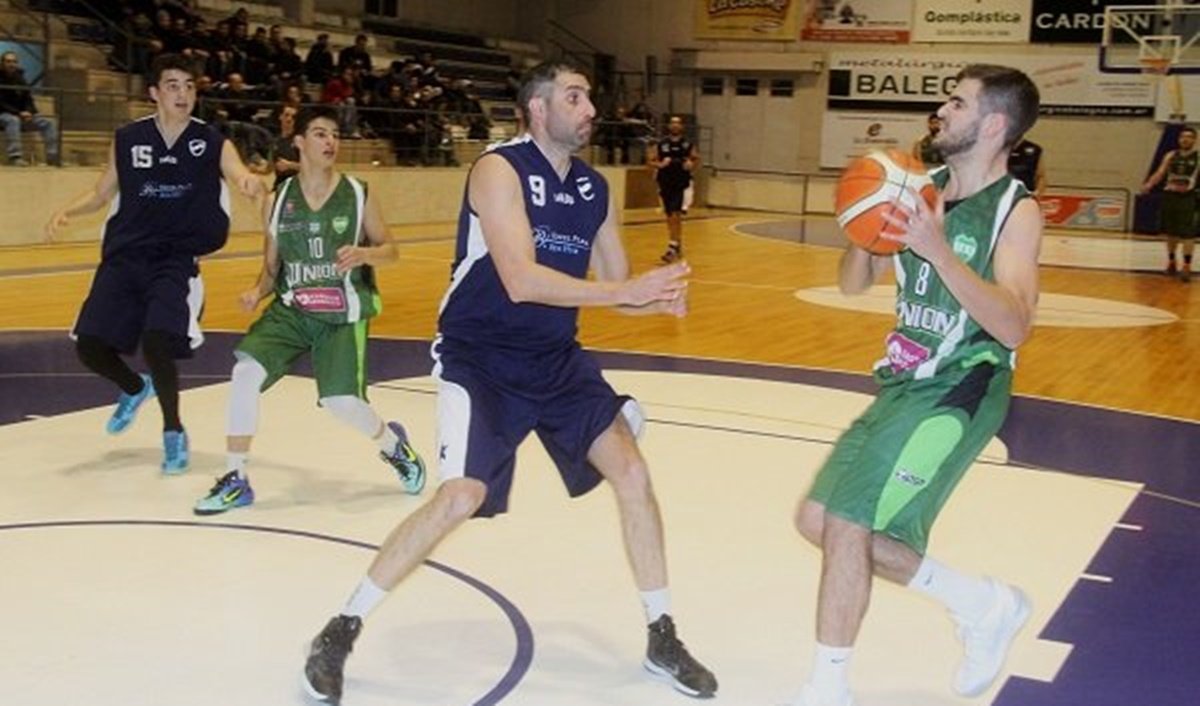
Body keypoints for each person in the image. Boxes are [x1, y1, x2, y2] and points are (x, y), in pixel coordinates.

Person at [300, 61, 718, 705]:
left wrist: (655, 298)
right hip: (481, 358)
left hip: (555, 359)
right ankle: (340, 629)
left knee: (633, 474)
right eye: (574, 97)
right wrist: (625, 292)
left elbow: (617, 288)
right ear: (538, 109)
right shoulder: (498, 170)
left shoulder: (593, 188)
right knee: (459, 497)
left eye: (588, 97)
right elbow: (521, 281)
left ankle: (663, 636)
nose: (589, 109)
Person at [788, 63, 1043, 706]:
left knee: (848, 522)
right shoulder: (919, 187)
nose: (942, 111)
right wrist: (866, 221)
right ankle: (981, 603)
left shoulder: (1015, 210)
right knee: (817, 519)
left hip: (964, 385)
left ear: (993, 124)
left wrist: (940, 251)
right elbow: (853, 284)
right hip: (904, 381)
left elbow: (1015, 325)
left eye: (957, 103)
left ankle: (827, 689)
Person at [193, 106, 426, 515]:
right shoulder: (278, 200)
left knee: (342, 403)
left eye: (334, 134)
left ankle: (395, 448)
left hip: (341, 312)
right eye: (320, 133)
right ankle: (236, 478)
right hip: (293, 308)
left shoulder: (357, 193)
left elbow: (391, 250)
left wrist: (365, 254)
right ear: (299, 142)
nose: (330, 141)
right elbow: (272, 267)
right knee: (245, 373)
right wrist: (257, 291)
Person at [44, 53, 263, 473]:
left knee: (157, 339)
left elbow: (237, 172)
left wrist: (249, 181)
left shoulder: (211, 140)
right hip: (127, 254)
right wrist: (68, 210)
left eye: (189, 86)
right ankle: (133, 388)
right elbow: (102, 191)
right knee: (89, 346)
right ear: (154, 93)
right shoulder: (129, 138)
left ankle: (173, 432)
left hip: (174, 258)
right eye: (173, 85)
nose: (183, 94)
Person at [1141, 125, 1198, 282]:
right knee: (1171, 232)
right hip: (1170, 196)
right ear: (1179, 139)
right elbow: (1160, 172)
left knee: (1188, 233)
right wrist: (1149, 184)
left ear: (1194, 140)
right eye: (1183, 137)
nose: (1185, 139)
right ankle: (1171, 261)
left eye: (1189, 137)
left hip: (1188, 197)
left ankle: (1186, 265)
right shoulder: (1171, 155)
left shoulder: (1198, 157)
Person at [649, 115, 699, 264]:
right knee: (669, 215)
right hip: (665, 182)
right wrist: (660, 164)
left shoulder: (687, 144)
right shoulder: (661, 144)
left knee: (676, 214)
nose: (675, 125)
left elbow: (696, 159)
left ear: (682, 126)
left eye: (678, 123)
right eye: (672, 123)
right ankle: (676, 243)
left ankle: (672, 246)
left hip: (681, 183)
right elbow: (650, 160)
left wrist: (691, 164)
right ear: (669, 126)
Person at [0, 51, 60, 166]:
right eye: (8, 61)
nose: (11, 64)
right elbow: (1, 103)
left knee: (49, 123)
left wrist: (29, 112)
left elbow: (28, 98)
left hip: (22, 115)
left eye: (14, 61)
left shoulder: (20, 78)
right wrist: (18, 113)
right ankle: (15, 157)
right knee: (13, 120)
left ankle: (52, 156)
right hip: (4, 114)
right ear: (2, 63)